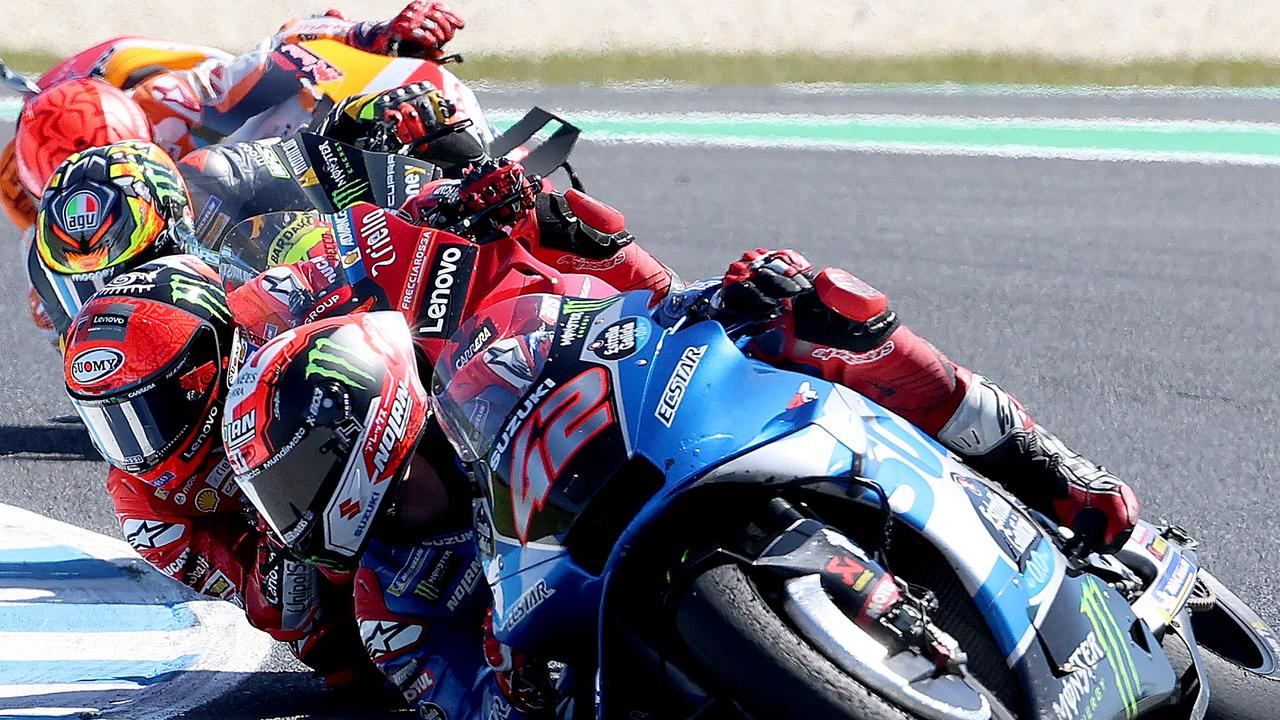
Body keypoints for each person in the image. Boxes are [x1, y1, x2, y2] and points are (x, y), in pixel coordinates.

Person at [219, 160, 1138, 716]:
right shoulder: (389, 602)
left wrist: (709, 293)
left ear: (356, 418)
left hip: (651, 472)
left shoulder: (491, 357)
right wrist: (520, 684)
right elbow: (471, 706)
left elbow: (635, 305)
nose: (294, 513)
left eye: (292, 481)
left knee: (818, 305)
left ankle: (1044, 467)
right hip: (609, 653)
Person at [60, 253, 377, 687]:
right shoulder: (144, 510)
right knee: (339, 660)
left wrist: (427, 210)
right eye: (111, 422)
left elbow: (366, 247)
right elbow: (276, 609)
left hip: (391, 420)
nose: (136, 444)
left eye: (147, 412)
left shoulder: (273, 303)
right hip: (327, 557)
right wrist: (277, 511)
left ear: (202, 367)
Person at [29, 80, 484, 342]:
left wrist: (356, 122)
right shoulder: (50, 275)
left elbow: (302, 160)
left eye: (136, 268)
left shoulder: (211, 178)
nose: (122, 291)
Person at [1, 0, 467, 228]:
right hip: (71, 107)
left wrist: (373, 34)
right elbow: (59, 301)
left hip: (160, 79)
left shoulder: (168, 103)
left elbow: (281, 50)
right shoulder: (18, 189)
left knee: (293, 100)